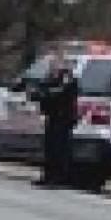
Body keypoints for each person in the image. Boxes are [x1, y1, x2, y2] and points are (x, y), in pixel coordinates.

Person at [31, 49, 80, 187]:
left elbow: (59, 93)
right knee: (49, 147)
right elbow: (40, 90)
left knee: (59, 148)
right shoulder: (51, 78)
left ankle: (58, 177)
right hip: (52, 116)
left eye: (57, 63)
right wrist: (38, 93)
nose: (54, 66)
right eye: (53, 63)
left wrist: (45, 94)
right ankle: (47, 175)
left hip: (63, 118)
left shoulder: (68, 79)